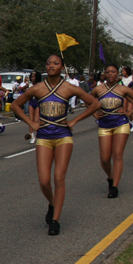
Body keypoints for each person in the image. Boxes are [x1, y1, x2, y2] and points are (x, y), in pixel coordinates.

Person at [12, 55, 99, 236]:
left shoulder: (69, 88)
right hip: (44, 137)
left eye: (56, 63)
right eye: (48, 63)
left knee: (59, 177)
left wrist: (75, 121)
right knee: (44, 180)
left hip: (63, 136)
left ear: (62, 67)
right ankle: (52, 203)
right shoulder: (38, 88)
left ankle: (55, 220)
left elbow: (95, 103)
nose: (51, 66)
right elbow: (16, 105)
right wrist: (32, 123)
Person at [92, 65, 133, 198]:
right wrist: (95, 114)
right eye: (108, 72)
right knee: (104, 158)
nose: (110, 74)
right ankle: (110, 177)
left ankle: (114, 186)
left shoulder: (123, 89)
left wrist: (129, 112)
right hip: (104, 125)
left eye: (113, 72)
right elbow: (88, 101)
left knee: (117, 154)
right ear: (104, 74)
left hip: (121, 123)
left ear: (117, 74)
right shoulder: (98, 89)